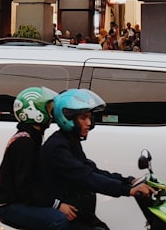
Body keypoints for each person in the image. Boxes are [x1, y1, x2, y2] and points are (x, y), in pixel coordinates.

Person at [39, 88, 154, 230]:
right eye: (83, 118)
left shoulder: (69, 141)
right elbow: (87, 177)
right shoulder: (57, 148)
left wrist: (129, 181)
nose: (88, 123)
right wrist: (127, 191)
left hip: (81, 213)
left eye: (89, 117)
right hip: (69, 215)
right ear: (67, 118)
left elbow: (93, 170)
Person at [0, 87, 76, 230]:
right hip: (8, 206)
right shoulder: (25, 143)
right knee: (59, 219)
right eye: (49, 109)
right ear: (36, 111)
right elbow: (25, 188)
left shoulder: (30, 138)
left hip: (16, 202)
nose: (52, 114)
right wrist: (57, 204)